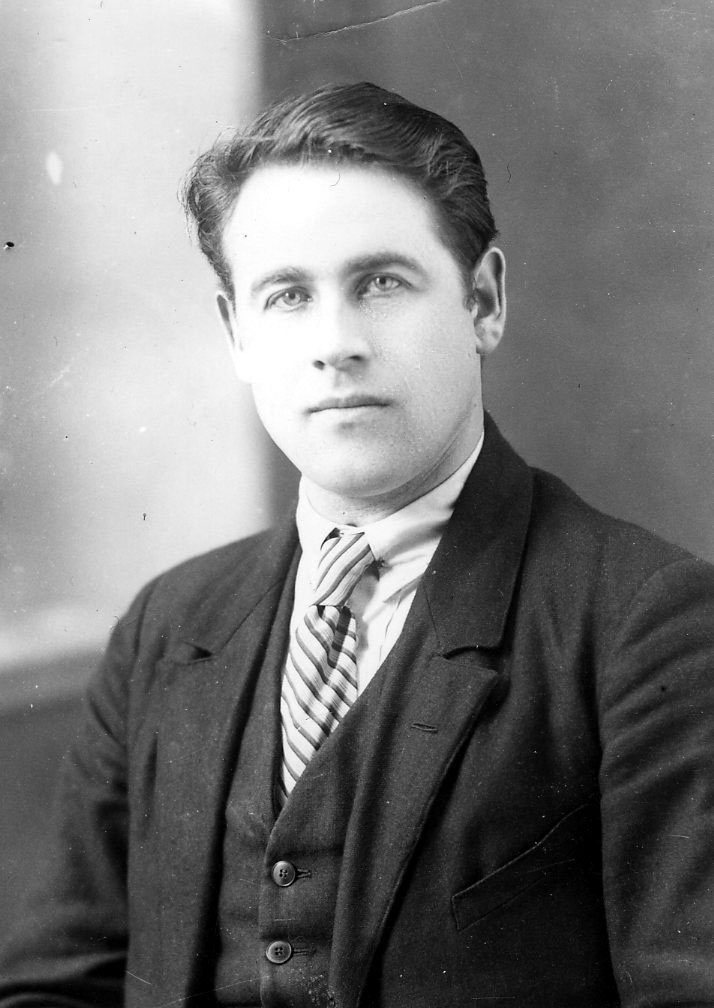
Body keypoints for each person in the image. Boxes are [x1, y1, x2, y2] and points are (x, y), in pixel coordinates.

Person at [1, 82, 713, 1008]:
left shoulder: (643, 624)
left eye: (381, 283)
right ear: (237, 334)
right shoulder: (167, 627)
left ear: (484, 300)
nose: (335, 343)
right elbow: (59, 987)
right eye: (288, 295)